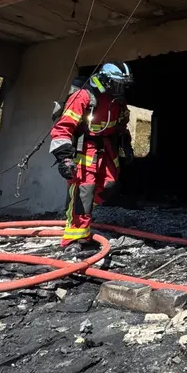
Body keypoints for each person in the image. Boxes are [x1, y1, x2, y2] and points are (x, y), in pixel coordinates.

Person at [49, 62, 134, 251]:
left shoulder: (117, 101)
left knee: (109, 185)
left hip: (106, 148)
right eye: (117, 84)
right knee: (83, 193)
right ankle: (74, 239)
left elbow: (121, 126)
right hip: (83, 149)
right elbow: (62, 129)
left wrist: (126, 146)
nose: (121, 89)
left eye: (123, 85)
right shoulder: (83, 96)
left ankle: (81, 213)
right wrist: (64, 158)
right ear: (105, 81)